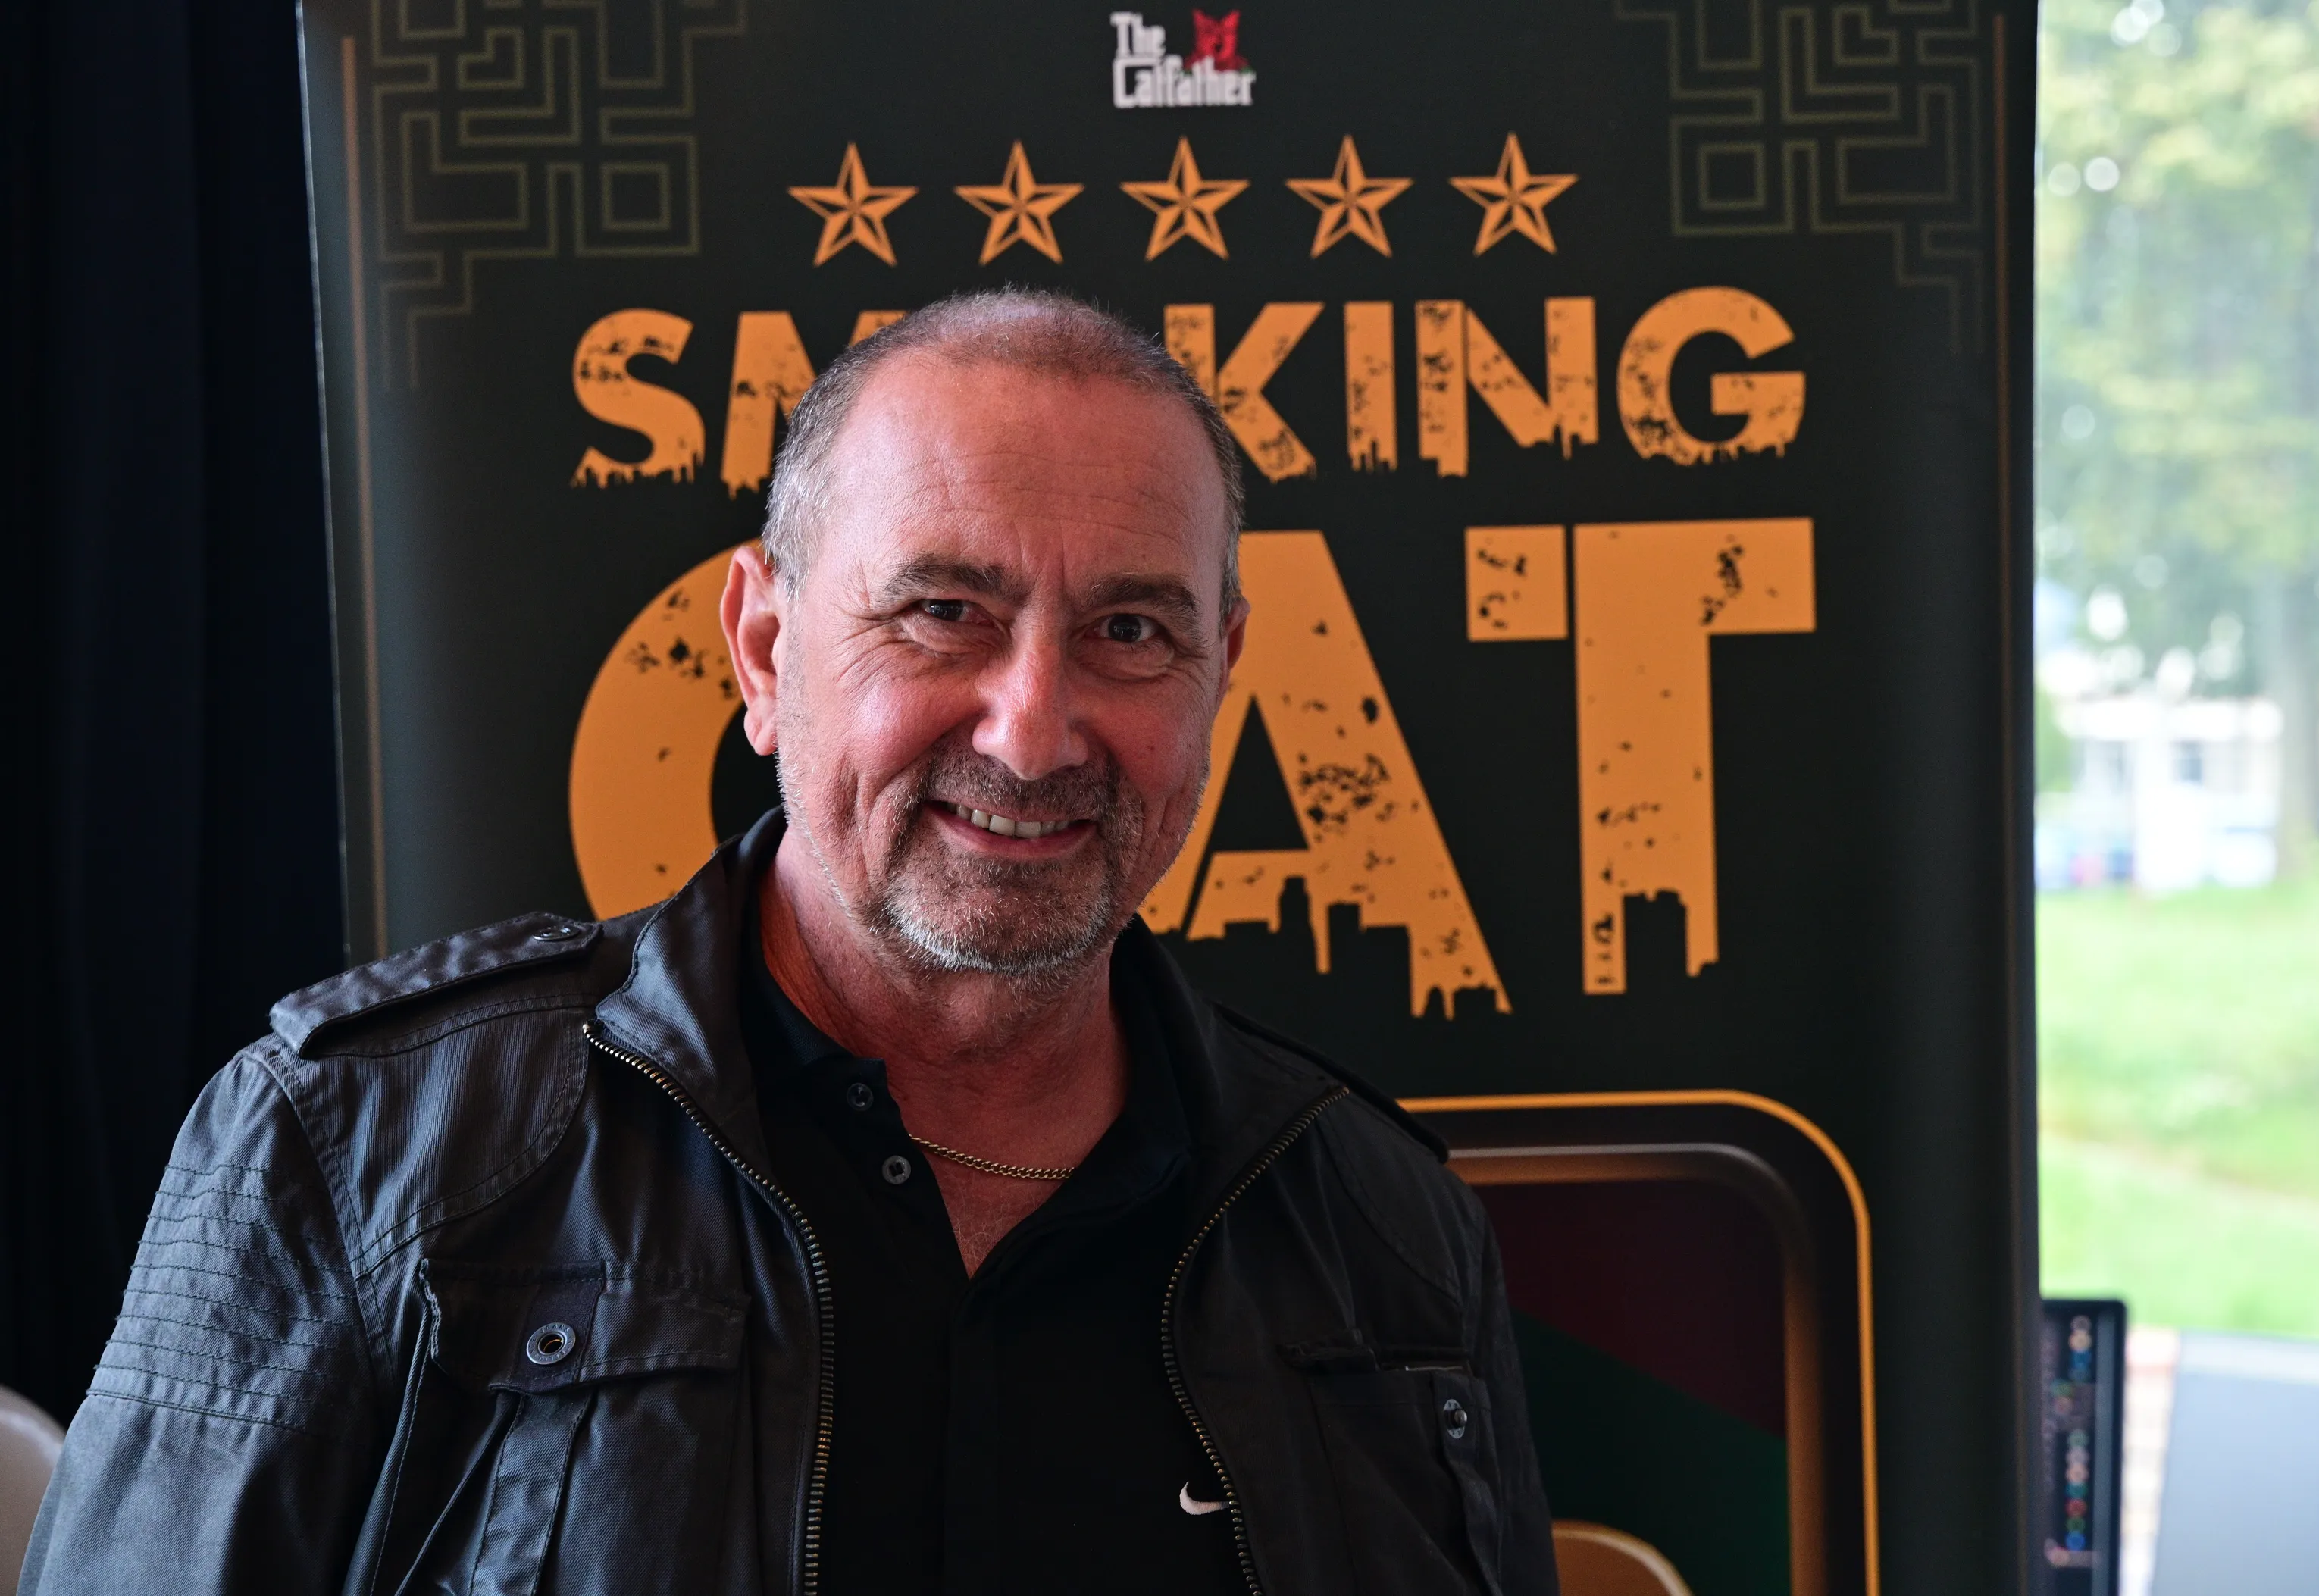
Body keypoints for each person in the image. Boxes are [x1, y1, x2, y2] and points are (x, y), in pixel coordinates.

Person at [23, 289, 1558, 1595]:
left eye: (1130, 632)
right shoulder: (352, 1152)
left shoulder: (1387, 1240)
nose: (1032, 732)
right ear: (763, 650)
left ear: (1220, 671)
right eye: (942, 610)